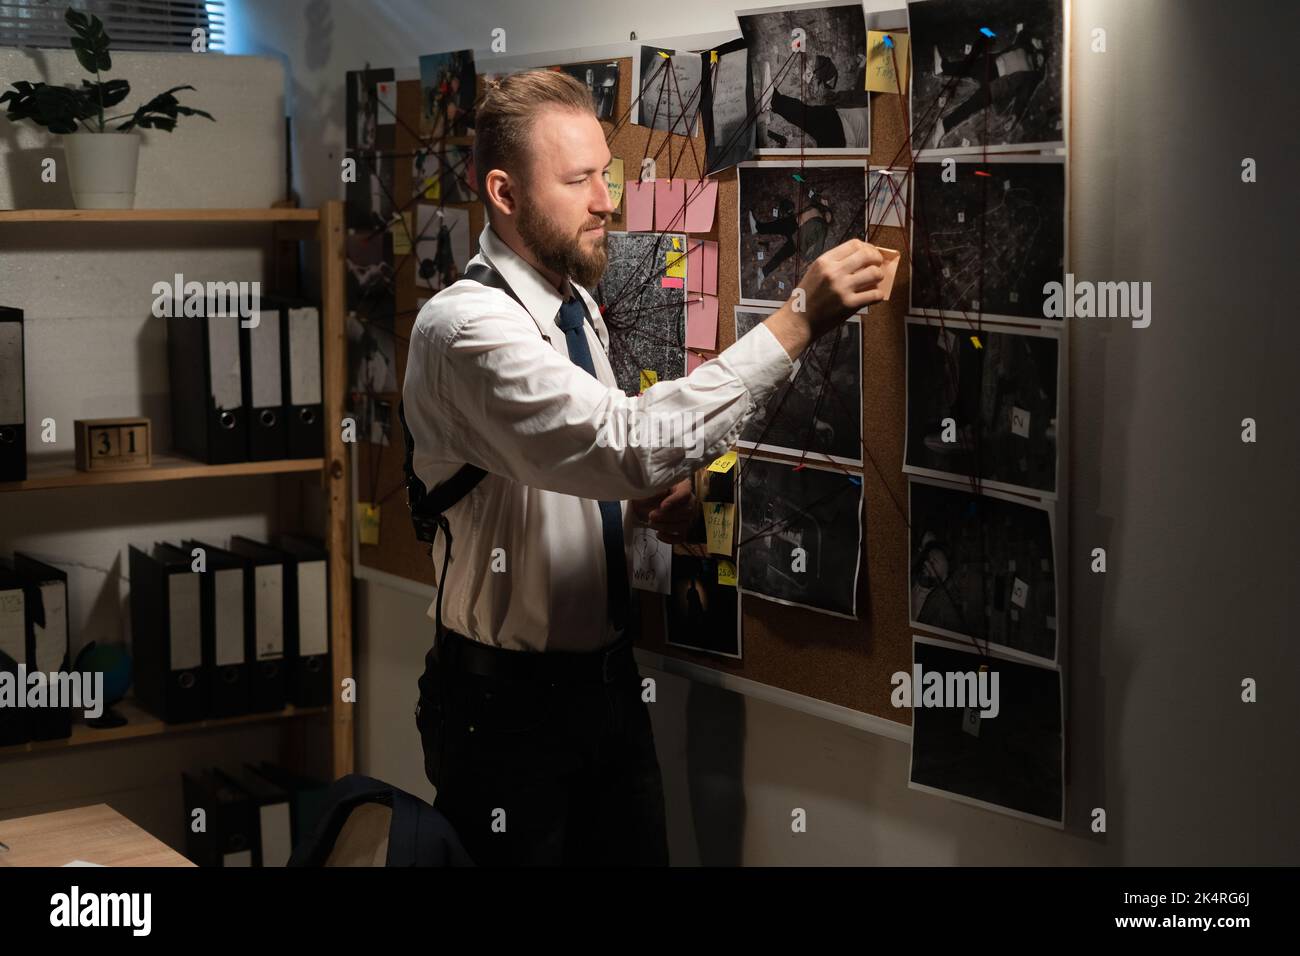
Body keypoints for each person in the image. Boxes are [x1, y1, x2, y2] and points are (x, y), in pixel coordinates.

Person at [401, 69, 889, 867]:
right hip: (503, 713)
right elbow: (620, 443)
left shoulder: (576, 306)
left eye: (608, 174)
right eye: (579, 180)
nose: (606, 201)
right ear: (503, 192)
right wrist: (797, 318)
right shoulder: (463, 329)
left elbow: (587, 467)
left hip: (607, 691)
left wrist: (656, 499)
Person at [928, 26, 1049, 148]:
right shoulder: (1024, 47)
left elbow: (1023, 98)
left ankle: (943, 126)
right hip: (991, 65)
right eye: (1040, 56)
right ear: (1038, 51)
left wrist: (1014, 117)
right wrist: (1034, 39)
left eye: (1042, 60)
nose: (1039, 59)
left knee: (970, 105)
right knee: (967, 67)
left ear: (1041, 66)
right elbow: (1024, 32)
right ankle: (943, 67)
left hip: (997, 86)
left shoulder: (1032, 77)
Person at [758, 54, 870, 149]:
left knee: (807, 115)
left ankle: (772, 99)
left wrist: (862, 68)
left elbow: (859, 96)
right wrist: (862, 67)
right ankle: (772, 102)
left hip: (844, 136)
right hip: (843, 124)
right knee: (808, 115)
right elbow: (859, 96)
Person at [747, 193, 834, 291]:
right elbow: (814, 197)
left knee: (780, 256)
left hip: (798, 240)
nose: (827, 216)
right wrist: (824, 203)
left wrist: (813, 261)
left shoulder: (822, 228)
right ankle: (758, 228)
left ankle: (763, 273)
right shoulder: (816, 208)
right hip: (794, 223)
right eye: (828, 214)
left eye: (829, 218)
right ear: (826, 210)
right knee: (775, 226)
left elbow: (819, 246)